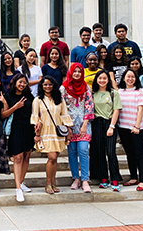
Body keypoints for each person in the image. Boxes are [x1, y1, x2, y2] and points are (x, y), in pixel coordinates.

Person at [32, 76, 73, 194]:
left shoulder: (59, 99)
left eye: (50, 84)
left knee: (55, 159)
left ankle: (53, 183)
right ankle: (48, 184)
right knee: (52, 157)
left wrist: (69, 129)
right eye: (45, 84)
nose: (48, 87)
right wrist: (37, 134)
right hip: (45, 131)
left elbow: (64, 114)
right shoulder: (38, 100)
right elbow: (35, 116)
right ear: (41, 86)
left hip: (58, 131)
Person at [60, 63, 94, 193]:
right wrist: (67, 127)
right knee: (72, 152)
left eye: (79, 72)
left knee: (83, 150)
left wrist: (85, 124)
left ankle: (85, 179)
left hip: (84, 124)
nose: (77, 74)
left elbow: (89, 106)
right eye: (75, 71)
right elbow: (62, 108)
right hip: (69, 124)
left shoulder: (86, 88)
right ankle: (76, 178)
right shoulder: (63, 88)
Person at [90, 70, 123, 192]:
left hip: (109, 123)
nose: (102, 81)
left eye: (104, 78)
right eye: (100, 78)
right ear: (96, 80)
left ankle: (115, 179)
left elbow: (116, 110)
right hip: (96, 123)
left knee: (110, 152)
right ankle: (103, 178)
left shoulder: (114, 93)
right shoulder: (93, 93)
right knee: (99, 152)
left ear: (108, 80)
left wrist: (112, 126)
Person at [5, 74, 35, 202]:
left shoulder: (29, 96)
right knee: (17, 157)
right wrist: (15, 107)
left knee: (27, 155)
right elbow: (3, 114)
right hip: (15, 127)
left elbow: (34, 112)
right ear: (15, 82)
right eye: (20, 82)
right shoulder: (8, 95)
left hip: (28, 127)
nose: (22, 84)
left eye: (24, 82)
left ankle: (21, 182)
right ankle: (18, 188)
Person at [117, 68, 143, 191]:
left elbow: (141, 109)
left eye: (133, 76)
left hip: (136, 128)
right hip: (123, 127)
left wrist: (137, 126)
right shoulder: (119, 92)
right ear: (123, 78)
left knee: (139, 154)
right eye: (128, 76)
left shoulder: (140, 91)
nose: (130, 79)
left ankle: (142, 181)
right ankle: (133, 177)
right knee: (129, 153)